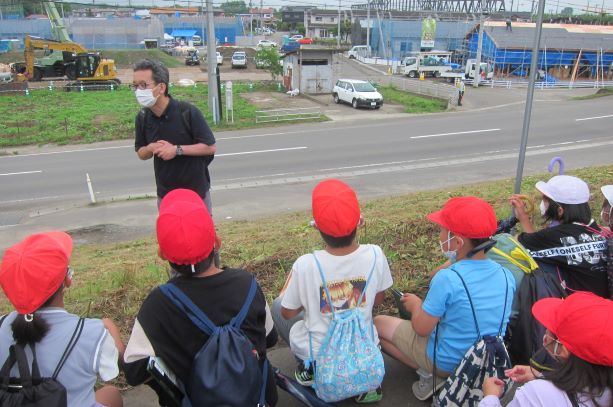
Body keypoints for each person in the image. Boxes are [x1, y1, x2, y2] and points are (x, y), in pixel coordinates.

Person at [122, 188, 277, 406]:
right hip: (258, 399)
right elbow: (270, 338)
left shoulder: (158, 305)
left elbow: (135, 372)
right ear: (217, 242)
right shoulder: (247, 284)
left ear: (162, 254)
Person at [374, 196, 515, 401]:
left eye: (442, 230)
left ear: (457, 241)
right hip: (488, 361)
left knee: (378, 324)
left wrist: (416, 306)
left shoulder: (448, 279)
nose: (439, 236)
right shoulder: (506, 275)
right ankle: (438, 373)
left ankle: (431, 374)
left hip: (449, 361)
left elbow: (422, 328)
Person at [274, 179, 393, 403]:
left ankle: (312, 369)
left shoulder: (306, 264)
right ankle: (364, 386)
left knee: (278, 305)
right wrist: (348, 295)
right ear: (359, 222)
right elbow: (378, 299)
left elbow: (288, 313)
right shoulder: (376, 254)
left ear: (317, 226)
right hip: (364, 351)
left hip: (323, 354)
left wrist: (312, 299)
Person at [0, 232, 123, 407]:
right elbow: (111, 369)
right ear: (67, 279)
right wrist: (110, 327)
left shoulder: (1, 324)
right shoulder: (91, 333)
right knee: (111, 394)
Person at [480, 292, 613, 407]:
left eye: (550, 326)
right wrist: (543, 376)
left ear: (562, 349)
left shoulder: (537, 394)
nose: (545, 330)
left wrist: (490, 397)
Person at [132, 59, 216, 213]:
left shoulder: (188, 112)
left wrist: (176, 150)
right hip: (166, 195)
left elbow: (210, 147)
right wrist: (150, 148)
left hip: (195, 192)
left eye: (143, 85)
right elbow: (141, 153)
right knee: (170, 236)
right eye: (135, 85)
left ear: (161, 87)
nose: (138, 90)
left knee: (201, 236)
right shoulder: (142, 117)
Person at [510, 175, 609, 298]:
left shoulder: (555, 236)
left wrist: (522, 217)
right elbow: (536, 241)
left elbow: (515, 242)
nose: (543, 203)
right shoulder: (599, 230)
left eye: (545, 200)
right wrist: (523, 217)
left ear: (560, 210)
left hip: (580, 309)